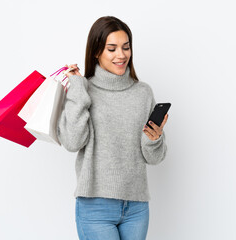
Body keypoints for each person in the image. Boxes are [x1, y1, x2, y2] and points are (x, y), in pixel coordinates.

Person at [58, 16, 169, 240]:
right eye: (112, 48)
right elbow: (72, 141)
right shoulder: (83, 90)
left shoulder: (143, 92)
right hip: (95, 207)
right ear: (97, 51)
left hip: (136, 207)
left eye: (126, 47)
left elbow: (154, 158)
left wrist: (154, 139)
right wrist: (79, 90)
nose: (121, 55)